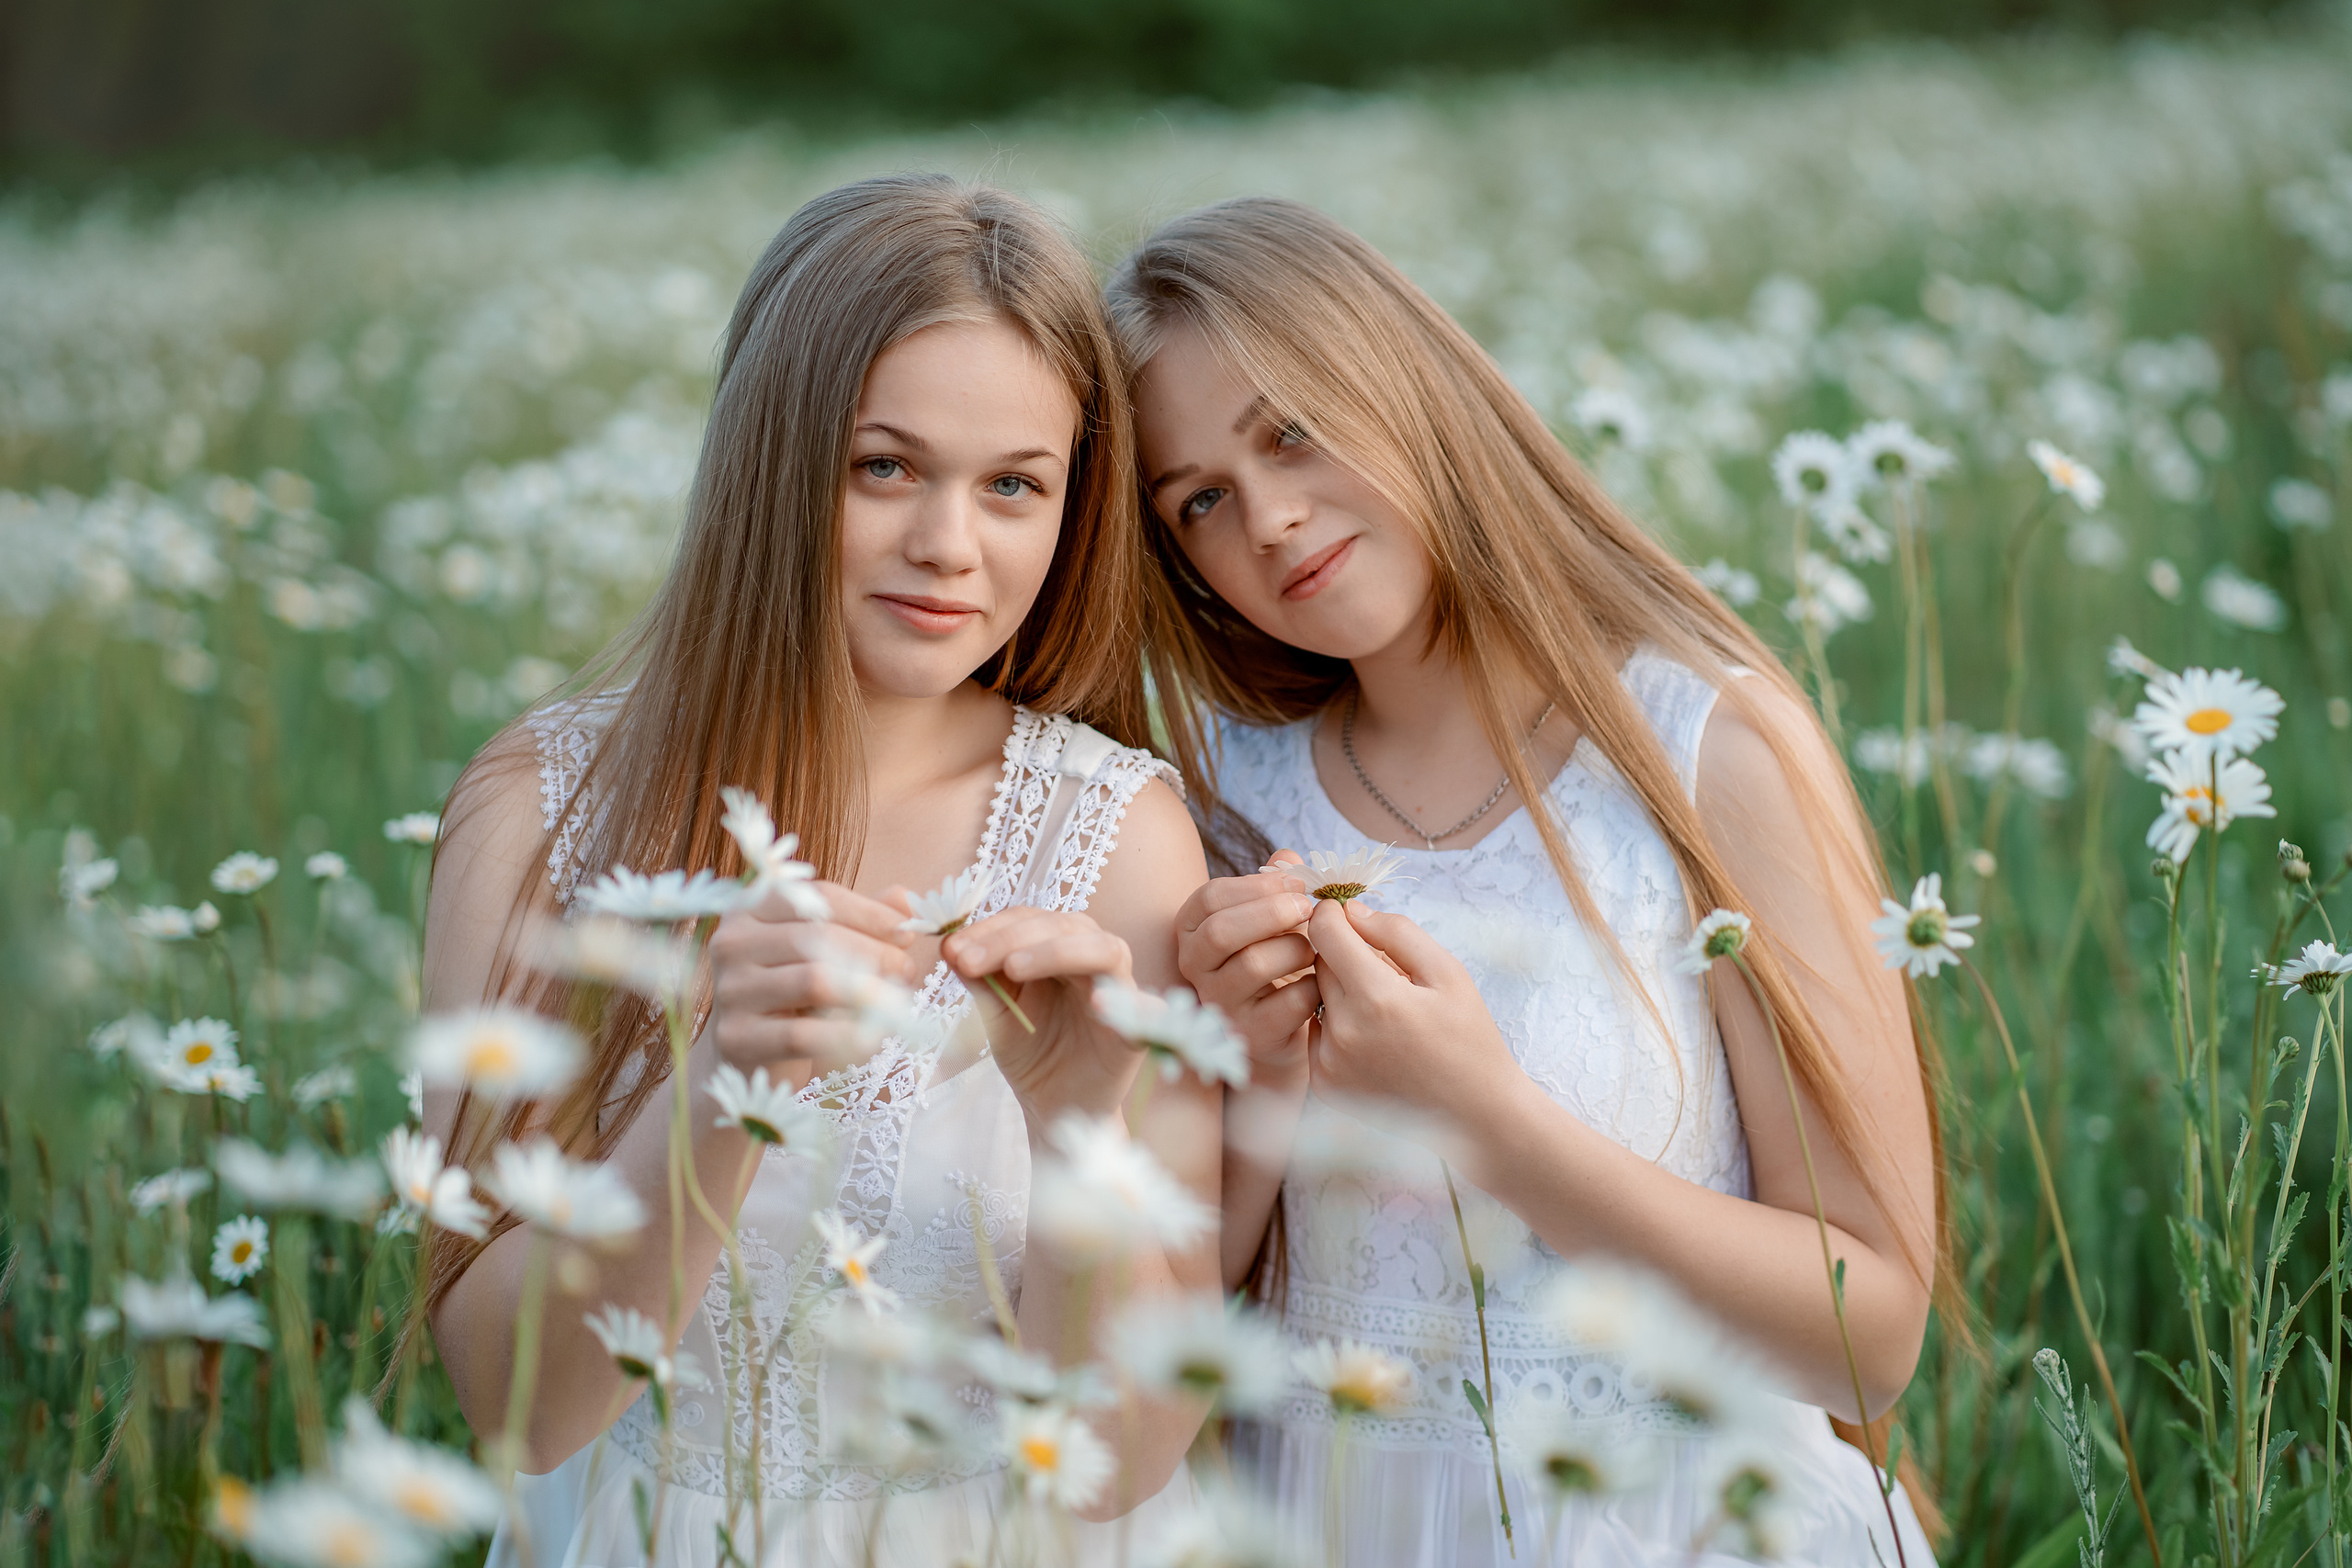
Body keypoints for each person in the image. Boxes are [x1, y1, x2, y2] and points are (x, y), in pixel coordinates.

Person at [1108, 197, 1946, 1565]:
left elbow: (1873, 1339)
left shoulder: (1705, 752)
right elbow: (1175, 1344)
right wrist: (1250, 1076)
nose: (1268, 517)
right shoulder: (1215, 802)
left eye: (1292, 432)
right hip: (1324, 1520)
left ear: (1411, 390)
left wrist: (1488, 1120)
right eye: (1198, 500)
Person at [420, 175, 1218, 1567]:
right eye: (884, 467)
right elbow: (512, 1409)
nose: (948, 547)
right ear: (771, 460)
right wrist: (721, 1090)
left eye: (1015, 485)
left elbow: (1122, 1468)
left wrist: (1087, 1124)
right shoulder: (543, 808)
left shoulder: (1117, 836)